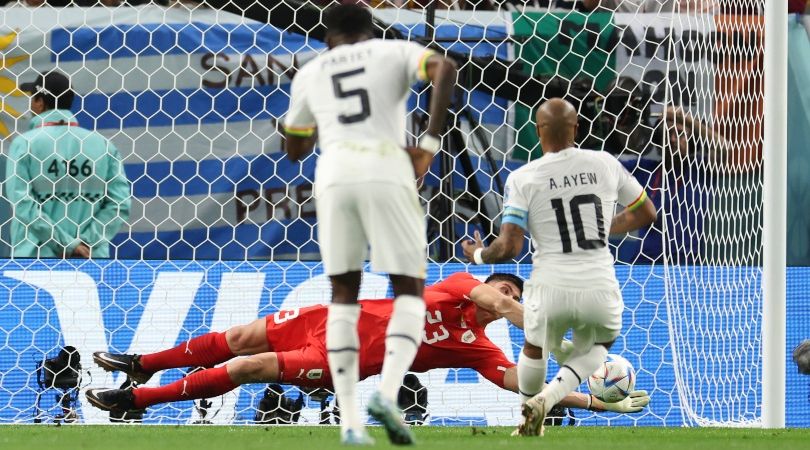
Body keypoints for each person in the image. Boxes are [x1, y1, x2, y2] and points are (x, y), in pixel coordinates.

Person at [85, 272, 650, 417]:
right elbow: (504, 304)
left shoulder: (474, 346)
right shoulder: (458, 287)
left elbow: (523, 386)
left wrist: (593, 398)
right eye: (503, 286)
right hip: (328, 318)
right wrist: (542, 324)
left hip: (338, 359)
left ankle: (136, 403)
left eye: (509, 291)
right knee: (235, 336)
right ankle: (139, 365)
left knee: (250, 364)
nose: (501, 295)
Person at [282, 4, 457, 445]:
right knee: (408, 289)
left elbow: (296, 149)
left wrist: (301, 127)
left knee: (343, 293)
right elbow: (445, 67)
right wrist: (429, 144)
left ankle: (351, 424)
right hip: (386, 167)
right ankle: (386, 391)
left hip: (335, 176)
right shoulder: (393, 52)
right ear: (371, 29)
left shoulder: (311, 71)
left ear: (327, 37)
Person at [462, 98, 656, 437]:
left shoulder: (523, 177)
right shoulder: (605, 162)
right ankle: (549, 398)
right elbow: (646, 213)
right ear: (577, 128)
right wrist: (596, 227)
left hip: (549, 285)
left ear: (538, 132)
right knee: (600, 345)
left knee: (535, 346)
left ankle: (528, 414)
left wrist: (479, 256)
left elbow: (510, 246)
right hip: (598, 282)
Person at [4, 70, 130, 259]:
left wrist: (67, 244)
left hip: (36, 261)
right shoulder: (104, 146)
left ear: (39, 102)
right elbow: (120, 204)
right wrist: (85, 242)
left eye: (32, 97)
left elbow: (23, 204)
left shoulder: (24, 145)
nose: (30, 103)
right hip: (91, 260)